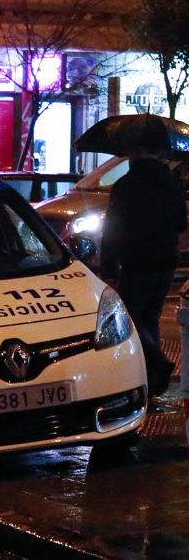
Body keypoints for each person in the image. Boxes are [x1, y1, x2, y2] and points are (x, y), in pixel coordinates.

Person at [100, 156, 187, 398]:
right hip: (166, 261)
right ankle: (153, 376)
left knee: (132, 316)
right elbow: (181, 223)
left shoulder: (126, 186)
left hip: (137, 261)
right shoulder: (171, 184)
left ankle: (156, 363)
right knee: (151, 317)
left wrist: (108, 267)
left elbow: (111, 229)